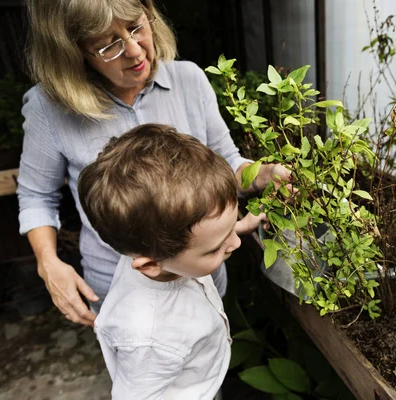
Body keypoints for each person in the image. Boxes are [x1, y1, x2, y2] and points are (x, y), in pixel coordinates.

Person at [17, 0, 289, 326]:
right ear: (72, 52)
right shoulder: (49, 109)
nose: (135, 51)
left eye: (136, 27)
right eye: (108, 45)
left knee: (208, 352)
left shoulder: (189, 80)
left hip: (200, 272)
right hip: (122, 288)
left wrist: (262, 175)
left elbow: (226, 163)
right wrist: (48, 264)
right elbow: (37, 196)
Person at [78, 124, 264, 399]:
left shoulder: (150, 244)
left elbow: (197, 240)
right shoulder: (149, 338)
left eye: (230, 228)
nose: (234, 245)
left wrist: (232, 230)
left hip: (199, 375)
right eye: (214, 249)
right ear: (150, 264)